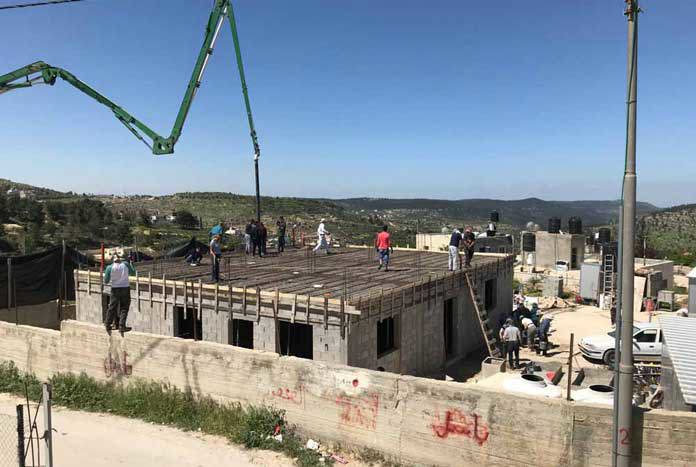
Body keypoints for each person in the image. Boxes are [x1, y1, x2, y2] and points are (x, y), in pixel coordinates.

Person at [104, 253, 136, 336]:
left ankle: (107, 324)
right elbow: (133, 273)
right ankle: (122, 326)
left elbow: (106, 281)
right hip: (125, 288)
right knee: (124, 307)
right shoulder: (125, 264)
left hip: (115, 289)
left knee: (112, 307)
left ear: (112, 260)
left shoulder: (109, 267)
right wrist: (131, 264)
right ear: (120, 259)